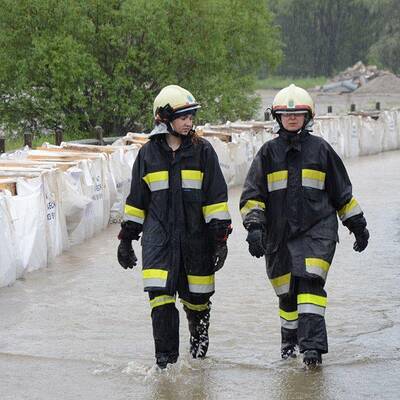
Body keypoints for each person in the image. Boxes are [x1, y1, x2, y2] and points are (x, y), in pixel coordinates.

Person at [240, 84, 369, 367]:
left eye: (297, 114)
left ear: (308, 116)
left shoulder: (321, 150)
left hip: (317, 233)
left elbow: (341, 194)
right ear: (277, 118)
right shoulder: (267, 154)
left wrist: (357, 224)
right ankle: (289, 349)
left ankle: (312, 353)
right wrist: (254, 227)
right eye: (286, 115)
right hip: (279, 237)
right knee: (287, 296)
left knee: (310, 285)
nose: (292, 119)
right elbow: (252, 196)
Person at [117, 84, 232, 369]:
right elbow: (136, 202)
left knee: (198, 306)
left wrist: (220, 240)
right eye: (183, 117)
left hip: (197, 244)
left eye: (191, 116)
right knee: (161, 303)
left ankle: (198, 363)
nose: (189, 122)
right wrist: (126, 239)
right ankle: (165, 367)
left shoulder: (203, 152)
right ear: (163, 117)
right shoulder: (147, 155)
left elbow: (216, 198)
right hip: (159, 245)